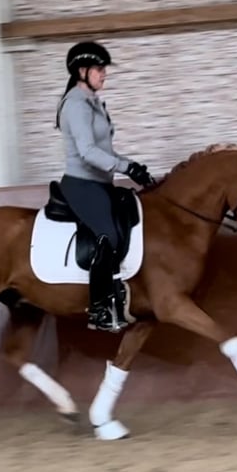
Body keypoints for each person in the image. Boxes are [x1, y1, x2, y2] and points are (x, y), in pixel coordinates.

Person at [55, 41, 154, 333]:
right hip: (81, 184)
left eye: (104, 69)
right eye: (99, 69)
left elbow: (105, 150)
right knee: (107, 234)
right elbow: (87, 152)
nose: (104, 74)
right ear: (82, 71)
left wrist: (134, 167)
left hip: (100, 182)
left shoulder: (93, 102)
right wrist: (125, 167)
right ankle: (99, 308)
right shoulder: (75, 104)